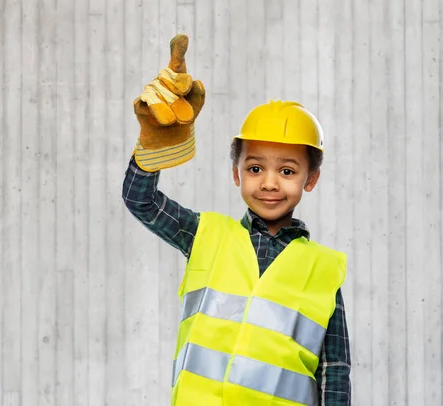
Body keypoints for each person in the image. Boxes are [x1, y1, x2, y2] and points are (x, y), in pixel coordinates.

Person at [122, 34, 351, 405]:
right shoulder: (205, 236)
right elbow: (141, 201)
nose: (270, 183)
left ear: (311, 179)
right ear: (236, 173)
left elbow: (334, 370)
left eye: (288, 171)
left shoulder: (324, 269)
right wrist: (151, 152)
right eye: (255, 167)